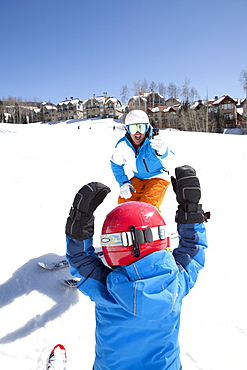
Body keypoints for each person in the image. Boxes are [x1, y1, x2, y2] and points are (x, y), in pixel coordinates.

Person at [65, 166, 208, 370]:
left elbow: (79, 258)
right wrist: (191, 210)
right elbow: (193, 248)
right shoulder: (177, 283)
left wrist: (79, 223)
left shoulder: (106, 289)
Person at [111, 109, 174, 210]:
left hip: (157, 177)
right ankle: (128, 225)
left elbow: (169, 158)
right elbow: (116, 165)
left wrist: (163, 151)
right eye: (133, 128)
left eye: (141, 128)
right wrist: (123, 183)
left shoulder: (154, 141)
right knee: (124, 203)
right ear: (127, 129)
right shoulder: (122, 145)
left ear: (147, 128)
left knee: (146, 206)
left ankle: (155, 225)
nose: (137, 133)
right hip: (138, 178)